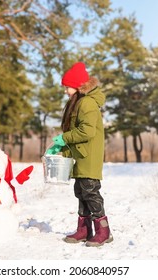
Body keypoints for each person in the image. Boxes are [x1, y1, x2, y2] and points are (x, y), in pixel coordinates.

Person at [47, 62, 113, 247]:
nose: (66, 91)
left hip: (88, 156)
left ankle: (104, 230)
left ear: (78, 86)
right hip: (81, 155)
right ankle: (84, 230)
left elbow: (86, 132)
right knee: (81, 192)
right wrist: (62, 148)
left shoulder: (87, 103)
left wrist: (64, 138)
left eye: (67, 87)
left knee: (91, 192)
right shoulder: (79, 102)